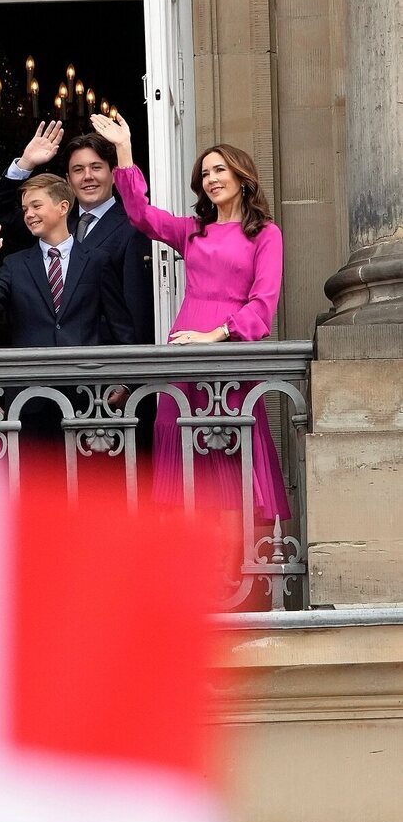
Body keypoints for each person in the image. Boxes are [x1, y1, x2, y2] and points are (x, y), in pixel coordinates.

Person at [90, 111, 289, 523]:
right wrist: (124, 150)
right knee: (185, 471)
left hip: (227, 353)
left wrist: (216, 334)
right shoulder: (192, 230)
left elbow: (263, 304)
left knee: (230, 462)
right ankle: (196, 574)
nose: (212, 178)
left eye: (220, 169)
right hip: (183, 350)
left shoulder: (265, 234)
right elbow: (140, 215)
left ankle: (236, 577)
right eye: (205, 173)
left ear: (242, 177)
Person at [0, 120, 154, 343]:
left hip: (100, 365)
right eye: (78, 170)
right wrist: (25, 164)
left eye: (96, 167)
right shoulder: (53, 221)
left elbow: (135, 306)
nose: (87, 176)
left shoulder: (133, 226)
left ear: (113, 173)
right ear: (68, 180)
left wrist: (130, 372)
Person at [0, 173, 134, 349]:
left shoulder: (97, 261)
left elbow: (120, 327)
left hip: (84, 370)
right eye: (25, 209)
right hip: (33, 371)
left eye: (36, 206)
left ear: (63, 207)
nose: (29, 214)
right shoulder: (15, 265)